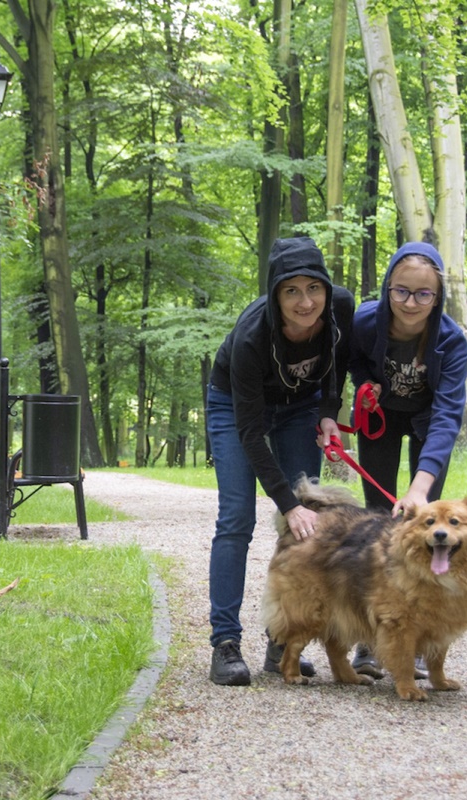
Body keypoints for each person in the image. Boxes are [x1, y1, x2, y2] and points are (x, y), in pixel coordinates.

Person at [206, 236, 354, 686]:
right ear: (275, 294)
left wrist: (329, 413)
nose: (305, 301)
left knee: (305, 525)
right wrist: (287, 501)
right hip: (235, 405)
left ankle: (282, 640)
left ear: (327, 289)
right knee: (237, 518)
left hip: (300, 407)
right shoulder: (253, 335)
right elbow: (250, 433)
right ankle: (225, 644)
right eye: (291, 291)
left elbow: (337, 364)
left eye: (314, 288)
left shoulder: (341, 309)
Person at [346, 240, 467, 679]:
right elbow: (354, 358)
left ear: (437, 298)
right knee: (378, 524)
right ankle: (368, 639)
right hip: (380, 419)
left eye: (423, 294)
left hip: (425, 426)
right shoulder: (364, 321)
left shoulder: (452, 343)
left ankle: (415, 640)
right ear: (387, 288)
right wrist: (365, 384)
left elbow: (446, 417)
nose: (410, 303)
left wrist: (420, 487)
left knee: (426, 529)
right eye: (401, 291)